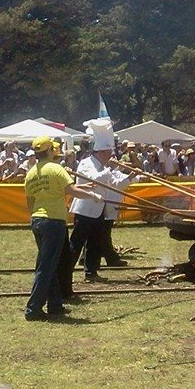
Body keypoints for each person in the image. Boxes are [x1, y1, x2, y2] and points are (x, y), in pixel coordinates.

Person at [23, 135, 102, 321]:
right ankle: (33, 309)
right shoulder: (56, 169)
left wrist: (33, 218)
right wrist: (92, 195)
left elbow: (30, 201)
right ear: (50, 150)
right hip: (54, 221)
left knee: (49, 264)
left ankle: (55, 305)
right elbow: (72, 190)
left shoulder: (31, 172)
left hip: (38, 220)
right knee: (47, 267)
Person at [69, 118, 134, 284]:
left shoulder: (105, 167)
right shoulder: (86, 163)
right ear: (100, 152)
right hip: (85, 210)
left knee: (95, 243)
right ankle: (65, 271)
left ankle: (91, 272)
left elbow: (116, 184)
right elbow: (94, 179)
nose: (111, 157)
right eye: (108, 153)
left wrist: (131, 176)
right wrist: (110, 169)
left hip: (99, 210)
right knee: (76, 243)